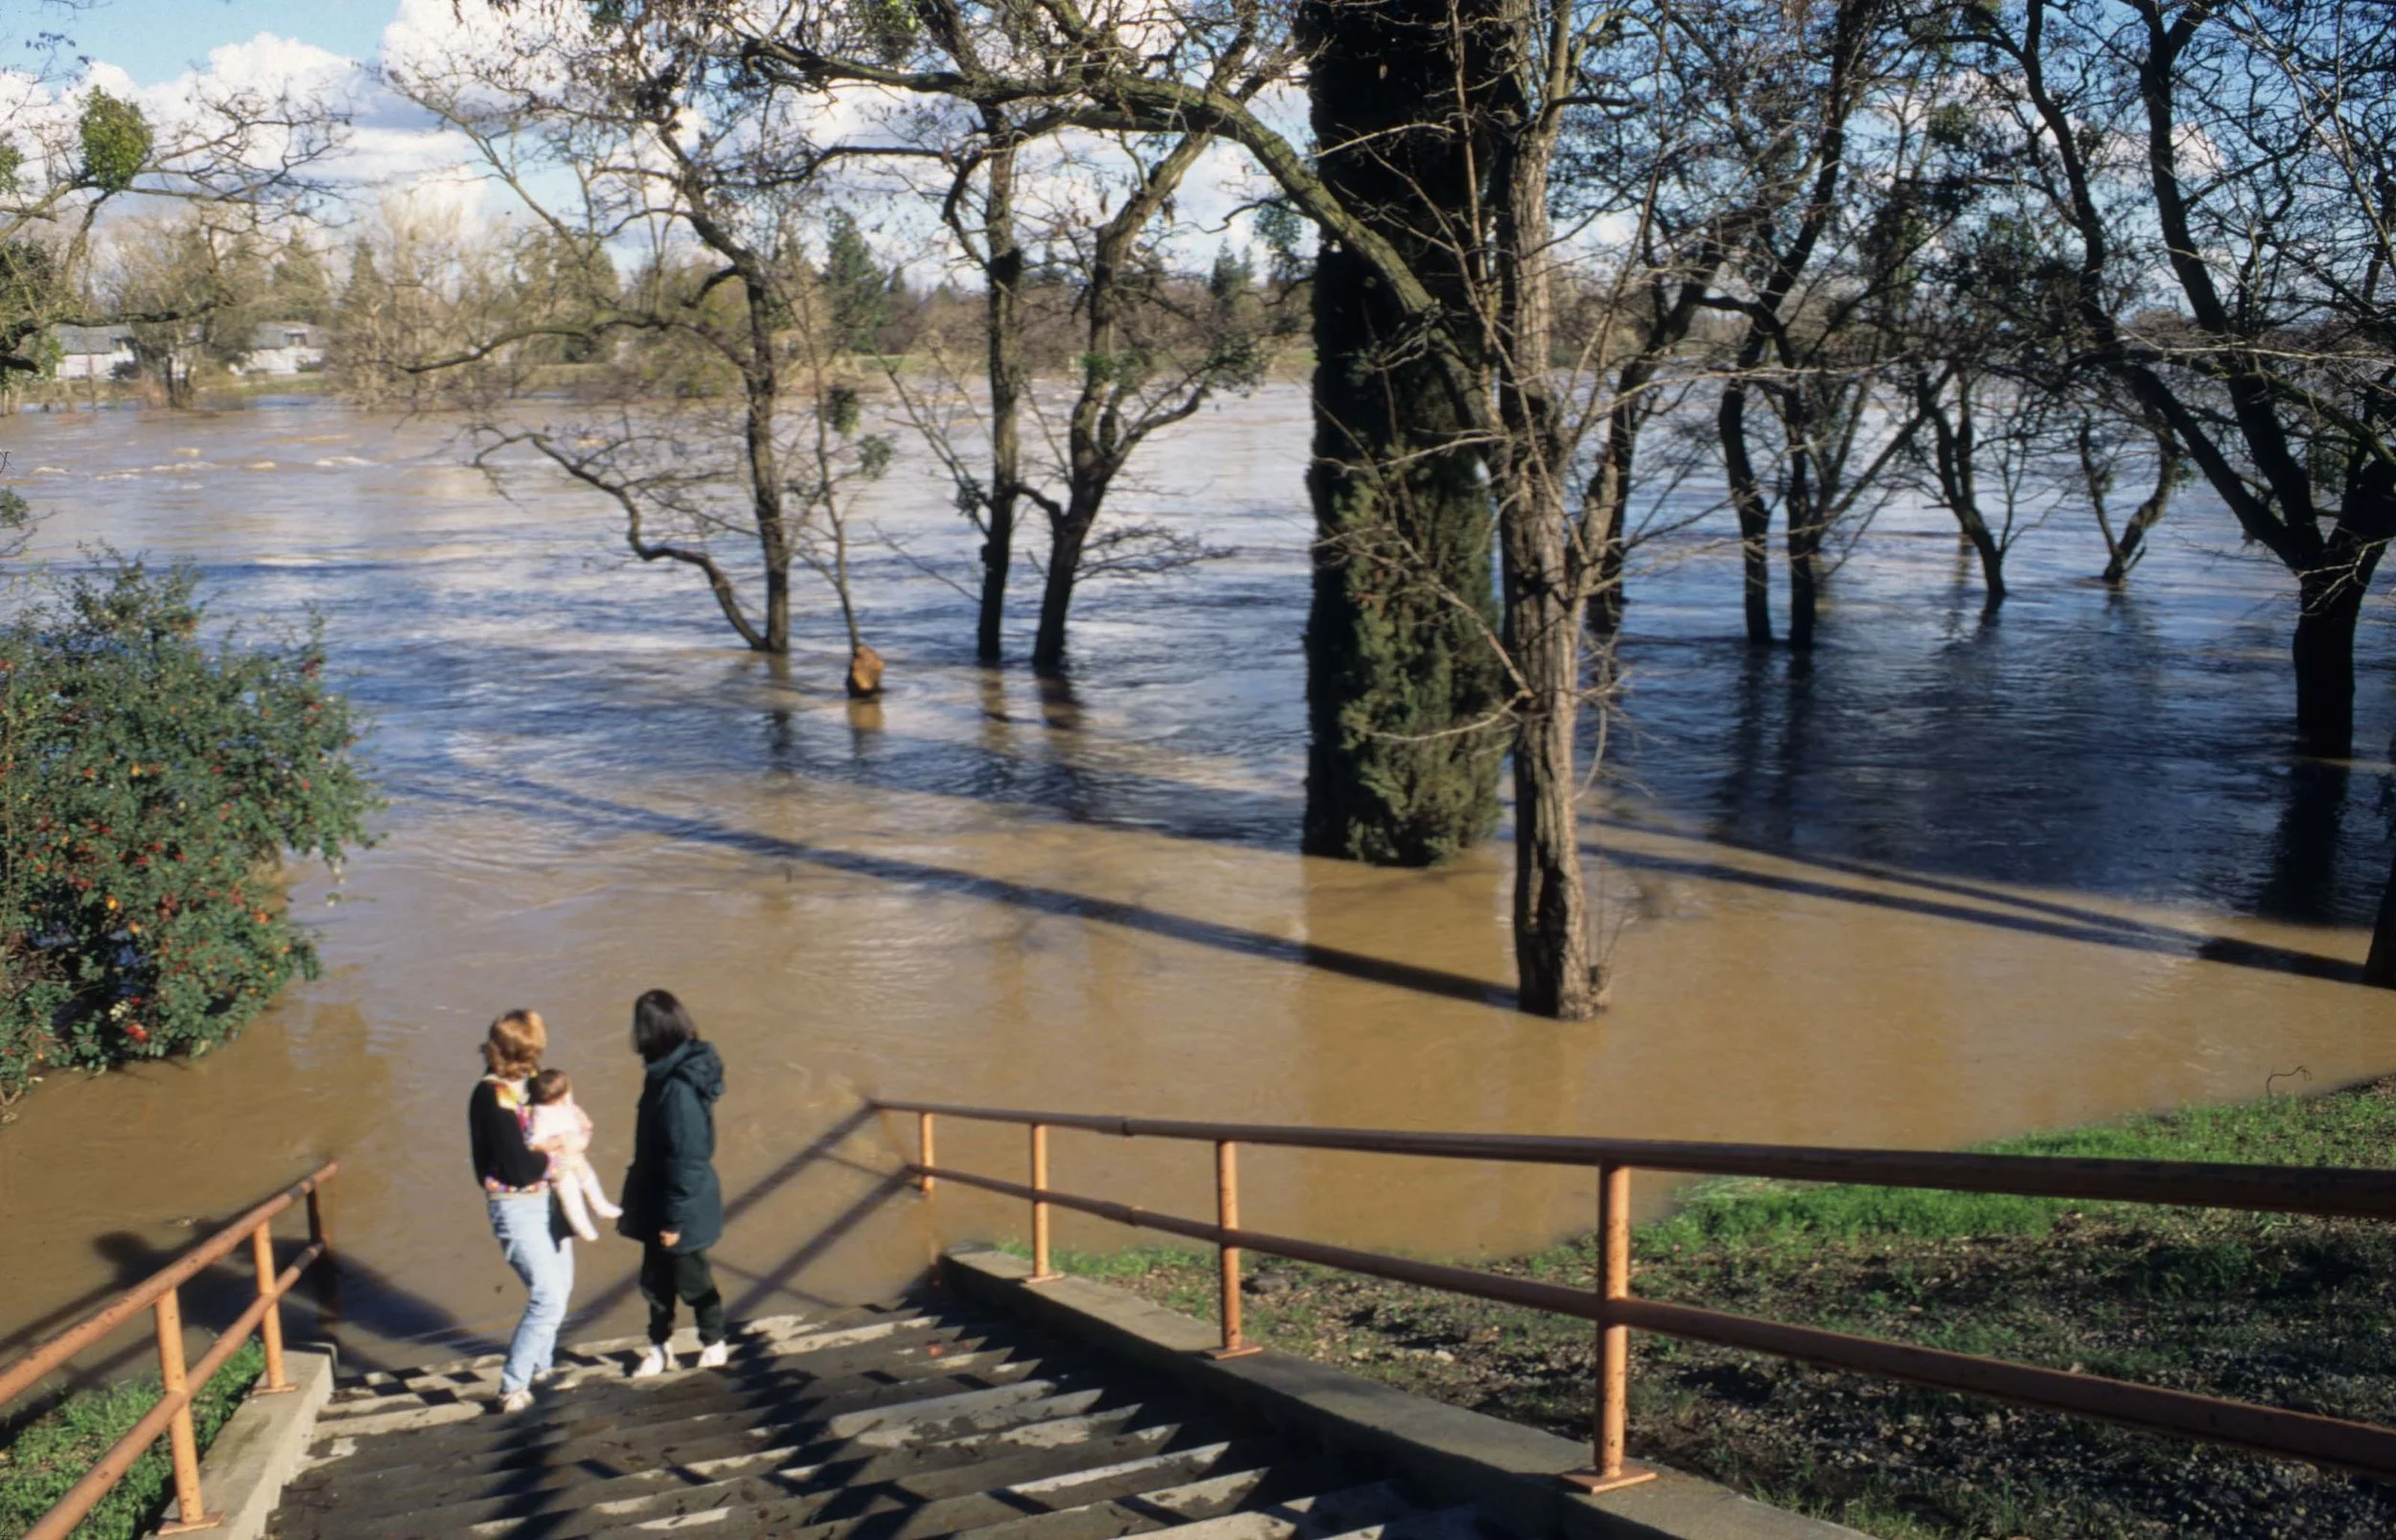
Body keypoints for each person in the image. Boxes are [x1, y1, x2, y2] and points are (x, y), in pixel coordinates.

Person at [616, 989, 728, 1377]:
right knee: (655, 1280)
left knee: (693, 1279)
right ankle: (659, 1346)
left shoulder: (676, 1088)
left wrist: (673, 1223)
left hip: (679, 1205)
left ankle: (713, 1343)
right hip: (660, 1199)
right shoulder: (664, 1072)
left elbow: (687, 1161)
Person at [468, 1008, 573, 1414]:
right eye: (531, 1054)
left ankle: (541, 1368)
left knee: (560, 1291)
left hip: (549, 1198)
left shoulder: (531, 1083)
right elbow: (517, 1166)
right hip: (516, 1206)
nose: (536, 1062)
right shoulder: (490, 1098)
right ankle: (512, 1385)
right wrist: (554, 1150)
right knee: (547, 1297)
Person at [526, 1069, 623, 1243]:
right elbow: (534, 1143)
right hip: (557, 1161)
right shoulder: (540, 1114)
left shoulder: (568, 1109)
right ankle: (581, 1224)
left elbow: (582, 1124)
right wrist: (559, 1142)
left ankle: (600, 1205)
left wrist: (584, 1127)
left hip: (575, 1156)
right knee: (569, 1192)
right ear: (560, 1096)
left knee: (588, 1177)